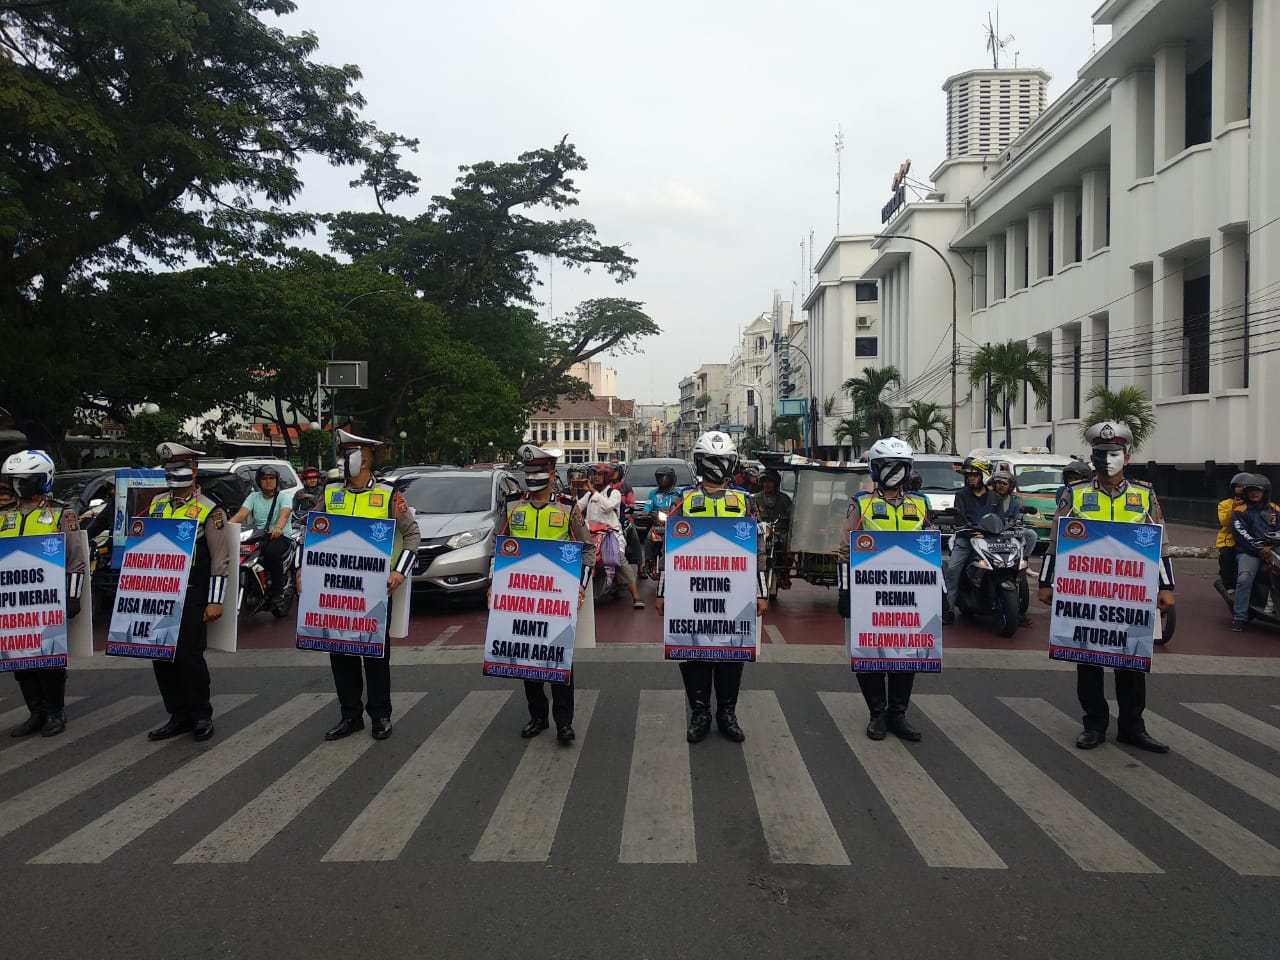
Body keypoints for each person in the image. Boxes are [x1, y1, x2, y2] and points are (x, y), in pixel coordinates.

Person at [1037, 421, 1174, 753]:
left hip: (1129, 594)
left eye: (1115, 454)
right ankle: (1094, 724)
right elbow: (1057, 540)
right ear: (1092, 457)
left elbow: (1161, 545)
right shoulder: (1076, 493)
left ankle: (1132, 726)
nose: (1108, 459)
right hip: (1086, 593)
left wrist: (1166, 586)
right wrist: (1045, 581)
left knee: (1132, 662)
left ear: (1126, 458)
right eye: (1101, 454)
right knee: (1089, 661)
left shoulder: (1144, 494)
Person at [305, 430, 419, 741]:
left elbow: (413, 536)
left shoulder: (388, 494)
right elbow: (312, 532)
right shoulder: (329, 494)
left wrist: (399, 572)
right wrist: (304, 570)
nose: (342, 461)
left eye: (348, 455)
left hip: (375, 590)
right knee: (340, 652)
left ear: (364, 460)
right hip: (337, 589)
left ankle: (380, 715)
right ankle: (349, 715)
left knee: (375, 655)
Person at [655, 431, 768, 743]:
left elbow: (759, 548)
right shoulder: (684, 501)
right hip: (690, 594)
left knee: (732, 654)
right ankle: (700, 712)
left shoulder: (745, 501)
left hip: (735, 593)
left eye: (722, 461)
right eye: (711, 461)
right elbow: (668, 547)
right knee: (695, 653)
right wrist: (663, 591)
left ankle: (727, 714)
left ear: (731, 463)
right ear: (699, 463)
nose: (716, 467)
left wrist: (761, 591)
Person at [493, 444, 596, 742]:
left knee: (559, 659)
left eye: (538, 471)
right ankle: (537, 716)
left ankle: (564, 722)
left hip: (557, 599)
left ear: (552, 474)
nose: (532, 476)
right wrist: (492, 585)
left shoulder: (567, 507)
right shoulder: (513, 506)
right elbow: (497, 547)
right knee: (528, 658)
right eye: (528, 471)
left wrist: (580, 585)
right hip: (521, 599)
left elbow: (587, 549)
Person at [836, 437, 936, 742]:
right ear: (876, 470)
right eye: (887, 467)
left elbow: (930, 545)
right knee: (871, 655)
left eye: (899, 467)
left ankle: (898, 713)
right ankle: (877, 713)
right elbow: (844, 549)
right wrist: (845, 592)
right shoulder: (861, 503)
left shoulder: (920, 503)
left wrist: (939, 592)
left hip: (910, 597)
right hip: (869, 595)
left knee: (906, 654)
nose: (894, 473)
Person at [143, 442, 231, 742]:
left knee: (189, 657)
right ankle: (177, 714)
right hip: (159, 591)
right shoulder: (156, 504)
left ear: (194, 470)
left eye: (178, 468)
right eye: (168, 468)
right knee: (161, 655)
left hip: (192, 590)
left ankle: (200, 715)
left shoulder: (210, 509)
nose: (172, 474)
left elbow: (220, 559)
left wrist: (215, 600)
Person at [0, 451, 87, 737]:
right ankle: (35, 711)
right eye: (15, 480)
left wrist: (73, 597)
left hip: (48, 599)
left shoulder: (62, 513)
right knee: (20, 659)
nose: (18, 485)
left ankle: (54, 712)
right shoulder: (5, 516)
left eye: (24, 479)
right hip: (12, 603)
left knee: (49, 659)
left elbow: (76, 560)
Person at [229, 465, 293, 614]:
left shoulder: (284, 497)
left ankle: (277, 593)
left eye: (272, 479)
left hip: (281, 536)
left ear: (277, 481)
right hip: (259, 536)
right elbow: (240, 515)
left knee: (270, 553)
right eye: (265, 479)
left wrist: (278, 527)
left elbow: (285, 513)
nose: (268, 482)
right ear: (259, 481)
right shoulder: (253, 497)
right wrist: (226, 528)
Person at [582, 462, 644, 609]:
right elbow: (578, 507)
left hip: (611, 536)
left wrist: (593, 491)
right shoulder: (589, 494)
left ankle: (636, 597)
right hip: (592, 535)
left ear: (607, 477)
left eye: (599, 475)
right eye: (594, 474)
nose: (596, 478)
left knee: (620, 561)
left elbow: (608, 506)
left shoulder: (613, 493)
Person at [943, 456, 994, 624]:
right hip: (966, 539)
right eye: (969, 475)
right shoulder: (961, 495)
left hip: (991, 539)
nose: (971, 478)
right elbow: (960, 518)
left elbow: (999, 518)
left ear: (984, 476)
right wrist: (971, 532)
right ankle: (948, 608)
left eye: (975, 475)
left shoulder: (995, 497)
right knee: (952, 570)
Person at [1228, 474, 1280, 632]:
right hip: (1250, 552)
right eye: (1250, 490)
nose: (1254, 493)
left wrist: (1270, 547)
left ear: (1265, 492)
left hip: (1273, 549)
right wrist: (1259, 548)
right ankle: (1239, 617)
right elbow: (1240, 533)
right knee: (1244, 579)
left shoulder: (1275, 509)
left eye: (1257, 490)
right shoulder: (1239, 511)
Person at [987, 468, 1036, 627]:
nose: (1001, 486)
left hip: (1009, 535)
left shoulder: (1014, 501)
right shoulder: (988, 498)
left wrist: (1016, 522)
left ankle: (1024, 560)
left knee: (1031, 535)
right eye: (998, 483)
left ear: (1010, 486)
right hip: (988, 535)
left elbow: (1018, 517)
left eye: (1004, 483)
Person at [754, 468, 793, 590]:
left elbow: (792, 514)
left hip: (780, 532)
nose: (767, 484)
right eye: (765, 481)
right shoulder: (755, 498)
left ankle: (786, 575)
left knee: (790, 548)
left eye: (770, 481)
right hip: (761, 532)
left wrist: (791, 518)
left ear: (776, 483)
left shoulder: (784, 499)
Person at [1218, 472, 1250, 596]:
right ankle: (1229, 586)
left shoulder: (1253, 504)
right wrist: (1234, 507)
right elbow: (1224, 522)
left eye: (1243, 487)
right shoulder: (1225, 504)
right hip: (1229, 540)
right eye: (1238, 486)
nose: (1240, 489)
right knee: (1227, 558)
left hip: (1248, 540)